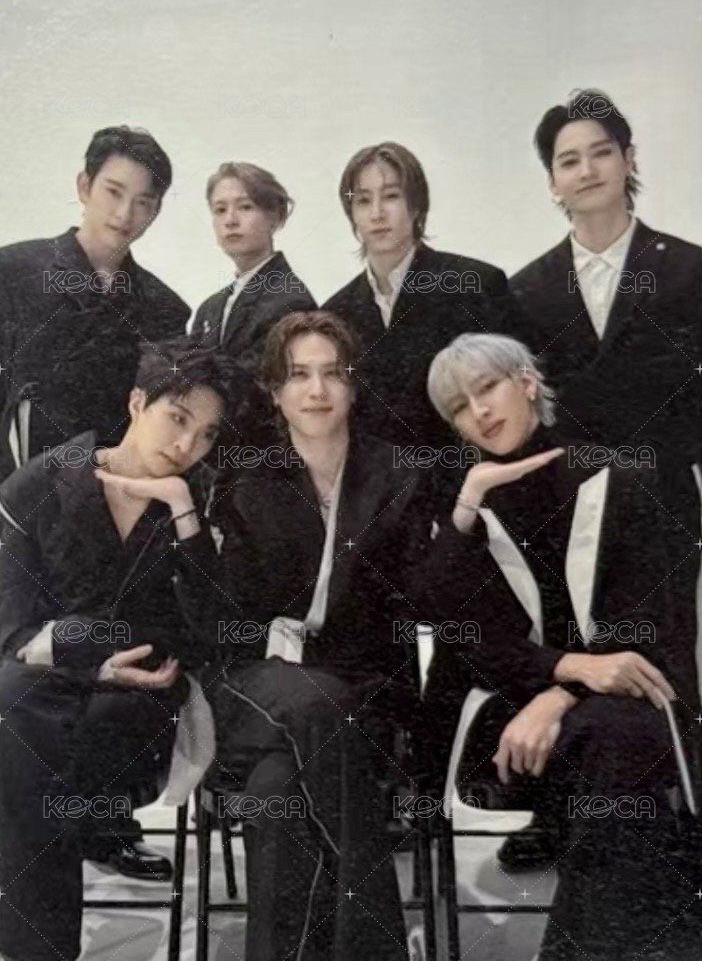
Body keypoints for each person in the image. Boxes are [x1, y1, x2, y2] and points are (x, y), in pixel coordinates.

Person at [423, 331, 702, 961]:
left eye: (487, 388)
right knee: (618, 751)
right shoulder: (461, 499)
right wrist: (467, 505)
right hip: (502, 726)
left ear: (526, 382)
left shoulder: (616, 478)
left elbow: (649, 622)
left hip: (607, 708)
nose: (480, 412)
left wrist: (560, 694)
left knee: (618, 736)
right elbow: (460, 635)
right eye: (460, 406)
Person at [0, 338, 237, 961]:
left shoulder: (207, 497)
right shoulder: (40, 483)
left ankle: (34, 946)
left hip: (142, 711)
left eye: (206, 435)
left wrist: (184, 513)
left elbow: (211, 634)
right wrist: (95, 659)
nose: (186, 446)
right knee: (15, 708)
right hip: (43, 689)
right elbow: (12, 630)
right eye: (177, 418)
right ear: (136, 402)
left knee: (28, 748)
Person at [207, 310, 433, 961]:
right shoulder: (246, 477)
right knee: (316, 704)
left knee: (277, 790)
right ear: (274, 390)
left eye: (333, 373)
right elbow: (226, 618)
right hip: (262, 687)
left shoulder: (397, 473)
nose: (317, 390)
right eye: (298, 374)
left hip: (361, 692)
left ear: (354, 385)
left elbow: (414, 600)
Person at [324, 141, 530, 508]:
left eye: (391, 196)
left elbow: (523, 402)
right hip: (379, 510)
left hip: (475, 498)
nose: (377, 213)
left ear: (416, 204)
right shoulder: (335, 314)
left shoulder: (474, 284)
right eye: (363, 201)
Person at [510, 88, 702, 466]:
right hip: (570, 490)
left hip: (677, 488)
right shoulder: (524, 291)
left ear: (628, 159)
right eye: (569, 161)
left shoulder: (689, 268)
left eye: (601, 153)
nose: (587, 171)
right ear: (552, 181)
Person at [0, 125, 190, 483]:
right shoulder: (13, 272)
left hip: (111, 498)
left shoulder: (165, 309)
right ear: (84, 186)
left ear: (156, 211)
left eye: (143, 202)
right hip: (13, 494)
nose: (124, 214)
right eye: (114, 192)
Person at [190, 161, 316, 445]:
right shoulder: (210, 308)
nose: (230, 220)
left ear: (275, 215)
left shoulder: (290, 300)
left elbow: (251, 392)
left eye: (245, 207)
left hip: (263, 455)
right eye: (219, 210)